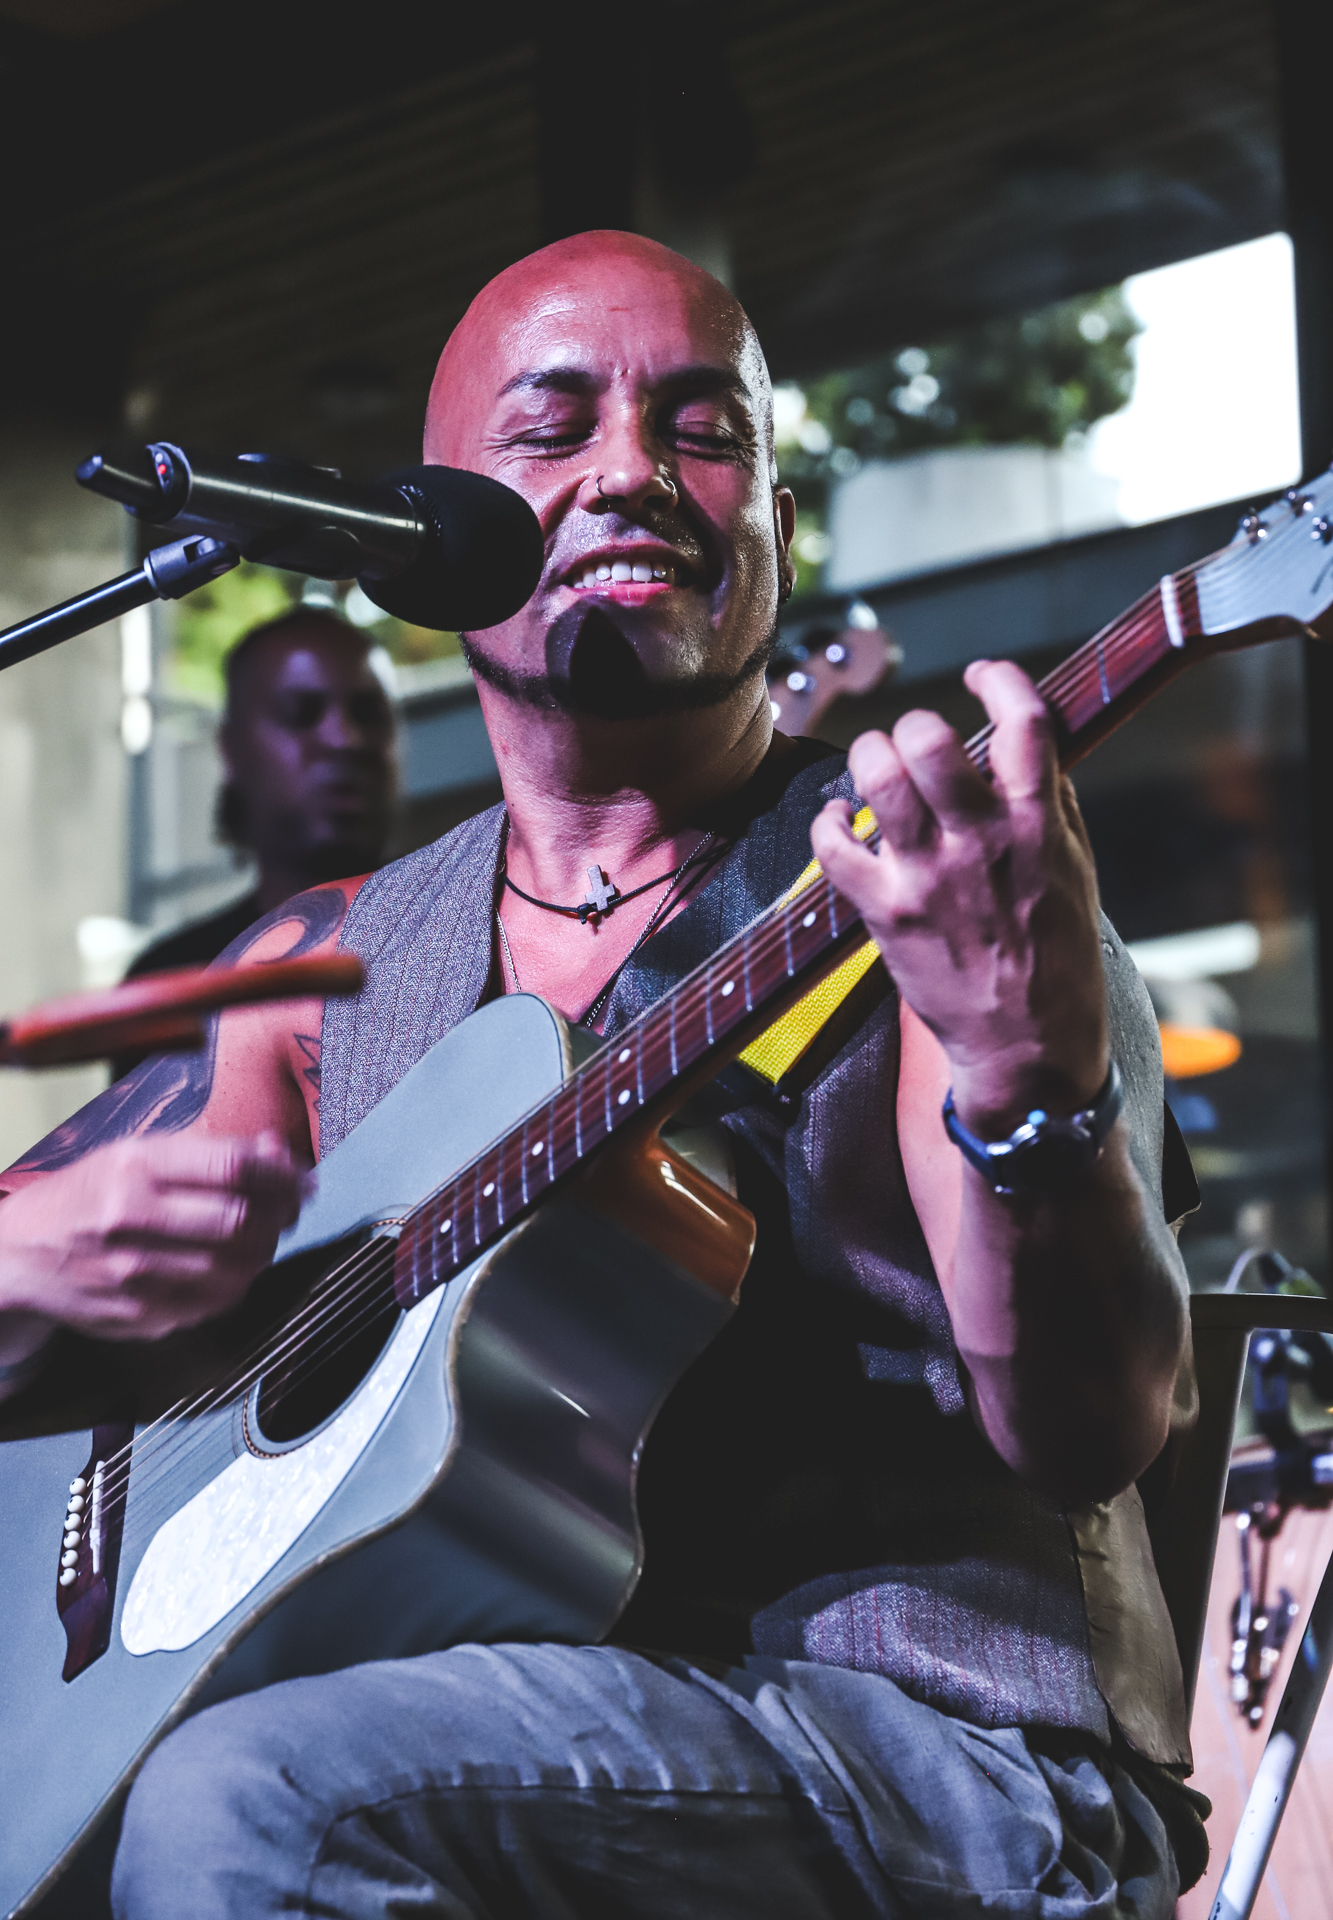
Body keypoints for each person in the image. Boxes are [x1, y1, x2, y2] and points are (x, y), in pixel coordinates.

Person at [0, 232, 1203, 1918]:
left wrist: (1019, 1058)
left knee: (253, 1799)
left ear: (777, 531)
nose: (630, 470)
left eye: (703, 432)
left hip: (937, 1761)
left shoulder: (923, 888)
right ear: (432, 539)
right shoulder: (327, 969)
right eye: (551, 428)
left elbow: (1088, 1426)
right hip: (453, 1737)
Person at [125, 606, 397, 980]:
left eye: (368, 712)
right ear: (231, 748)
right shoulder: (171, 982)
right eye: (300, 712)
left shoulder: (462, 935)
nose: (345, 739)